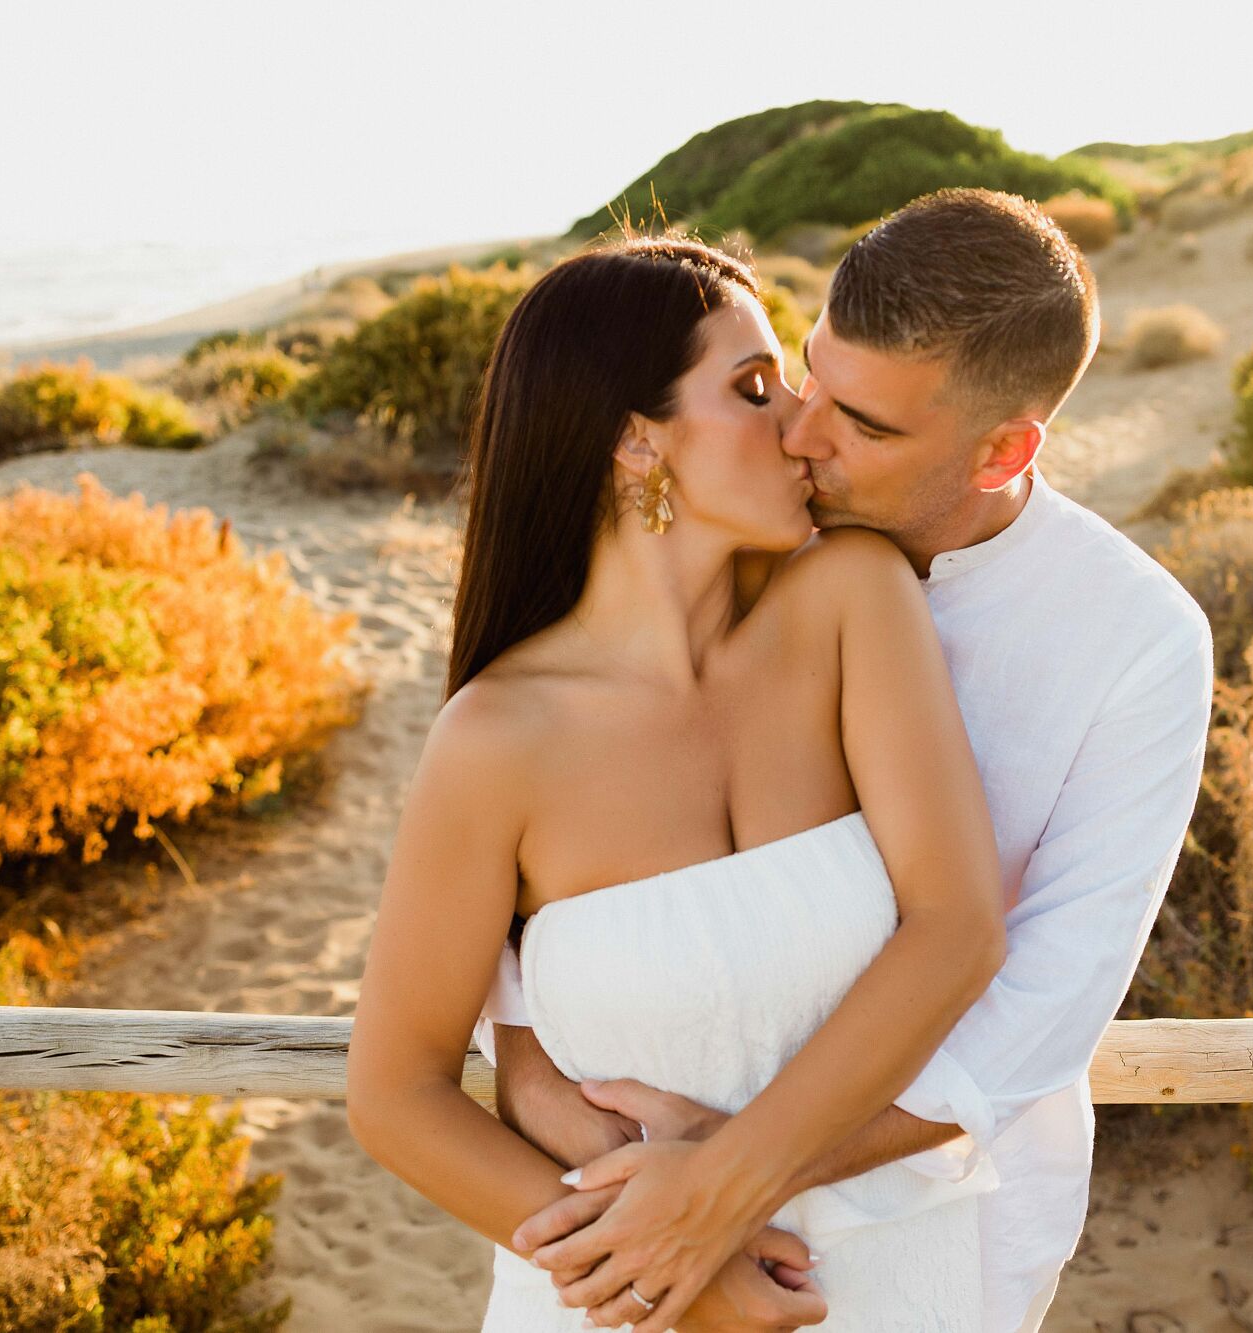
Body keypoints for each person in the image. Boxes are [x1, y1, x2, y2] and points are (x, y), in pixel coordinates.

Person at [490, 188, 1216, 1332]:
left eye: (865, 425)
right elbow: (553, 825)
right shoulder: (747, 523)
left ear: (1002, 450)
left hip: (941, 1217)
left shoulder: (1135, 640)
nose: (803, 433)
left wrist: (738, 1172)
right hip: (647, 1186)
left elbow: (1046, 994)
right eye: (811, 377)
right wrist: (534, 1072)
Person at [345, 233, 1012, 1332]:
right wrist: (674, 1275)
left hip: (898, 1271)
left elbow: (958, 928)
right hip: (631, 1303)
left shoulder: (853, 597)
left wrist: (717, 1197)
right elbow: (396, 1093)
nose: (802, 427)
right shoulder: (496, 738)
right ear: (633, 442)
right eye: (754, 391)